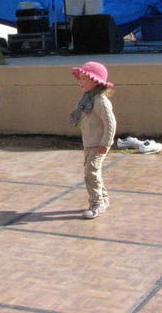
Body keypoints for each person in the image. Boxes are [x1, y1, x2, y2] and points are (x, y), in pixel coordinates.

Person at [68, 62, 116, 220]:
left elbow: (110, 123)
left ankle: (96, 203)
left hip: (99, 144)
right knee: (93, 172)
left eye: (84, 79)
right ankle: (104, 197)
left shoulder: (100, 102)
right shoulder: (87, 99)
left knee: (91, 173)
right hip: (89, 143)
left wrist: (105, 143)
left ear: (96, 81)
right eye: (80, 78)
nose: (80, 82)